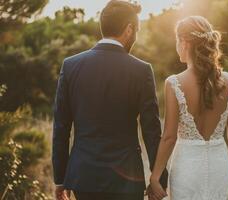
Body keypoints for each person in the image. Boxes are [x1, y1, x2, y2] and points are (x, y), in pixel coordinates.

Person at [52, 1, 167, 200]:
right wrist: (158, 179)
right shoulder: (141, 70)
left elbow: (61, 127)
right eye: (137, 30)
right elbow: (151, 131)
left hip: (84, 177)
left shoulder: (71, 66)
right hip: (127, 181)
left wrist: (60, 178)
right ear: (129, 29)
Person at [149, 16, 228, 200]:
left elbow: (169, 137)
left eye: (177, 40)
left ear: (184, 43)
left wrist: (155, 176)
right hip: (220, 165)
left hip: (187, 168)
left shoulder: (174, 83)